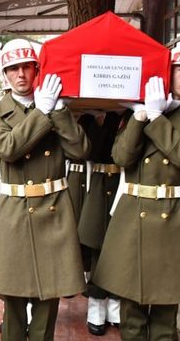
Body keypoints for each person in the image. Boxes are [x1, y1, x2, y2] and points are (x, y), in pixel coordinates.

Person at [93, 43, 180, 341]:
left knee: (165, 310)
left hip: (172, 218)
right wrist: (139, 117)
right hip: (133, 212)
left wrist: (157, 116)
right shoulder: (137, 111)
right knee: (131, 310)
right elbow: (122, 158)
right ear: (167, 70)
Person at [0, 38, 89, 340]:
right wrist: (41, 113)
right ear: (5, 75)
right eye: (13, 69)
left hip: (54, 210)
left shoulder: (57, 108)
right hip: (15, 211)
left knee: (49, 297)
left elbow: (81, 150)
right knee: (13, 299)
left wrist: (58, 113)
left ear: (36, 70)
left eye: (27, 67)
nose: (20, 74)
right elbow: (8, 148)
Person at [76, 111, 123, 336]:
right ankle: (96, 309)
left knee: (121, 252)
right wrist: (94, 119)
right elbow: (93, 151)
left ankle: (115, 308)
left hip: (125, 185)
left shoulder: (134, 114)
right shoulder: (86, 118)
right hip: (97, 185)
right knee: (98, 250)